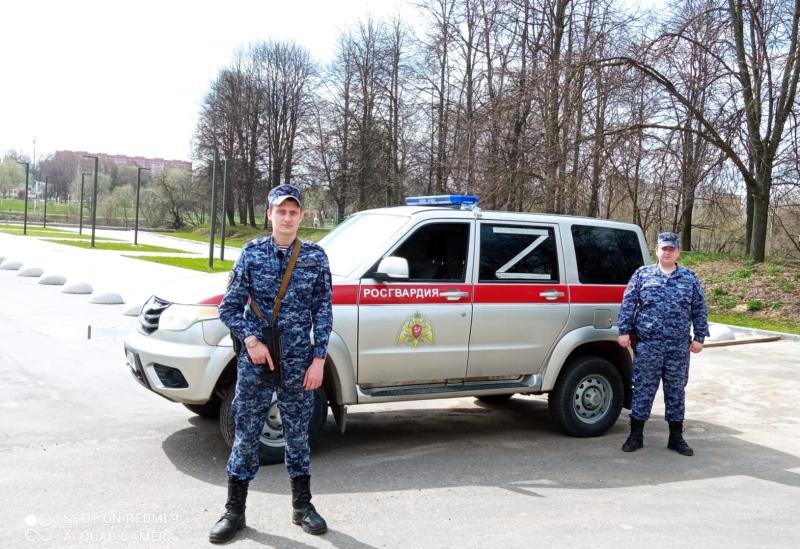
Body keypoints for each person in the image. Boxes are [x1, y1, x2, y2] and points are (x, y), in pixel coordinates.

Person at [210, 184, 333, 544]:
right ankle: (234, 511)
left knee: (297, 436)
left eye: (294, 212)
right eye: (281, 211)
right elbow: (228, 307)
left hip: (298, 362)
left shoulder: (315, 257)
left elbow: (323, 310)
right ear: (270, 214)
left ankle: (302, 507)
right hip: (257, 363)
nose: (288, 217)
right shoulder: (250, 254)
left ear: (301, 216)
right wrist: (251, 341)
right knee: (246, 435)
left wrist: (319, 359)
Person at [617, 231, 708, 457]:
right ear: (656, 250)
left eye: (671, 249)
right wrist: (624, 330)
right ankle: (636, 435)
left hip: (678, 346)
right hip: (649, 344)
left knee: (676, 391)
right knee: (643, 389)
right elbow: (628, 302)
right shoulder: (643, 274)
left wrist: (699, 337)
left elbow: (699, 308)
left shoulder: (690, 278)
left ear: (677, 252)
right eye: (663, 248)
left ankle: (676, 438)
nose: (667, 252)